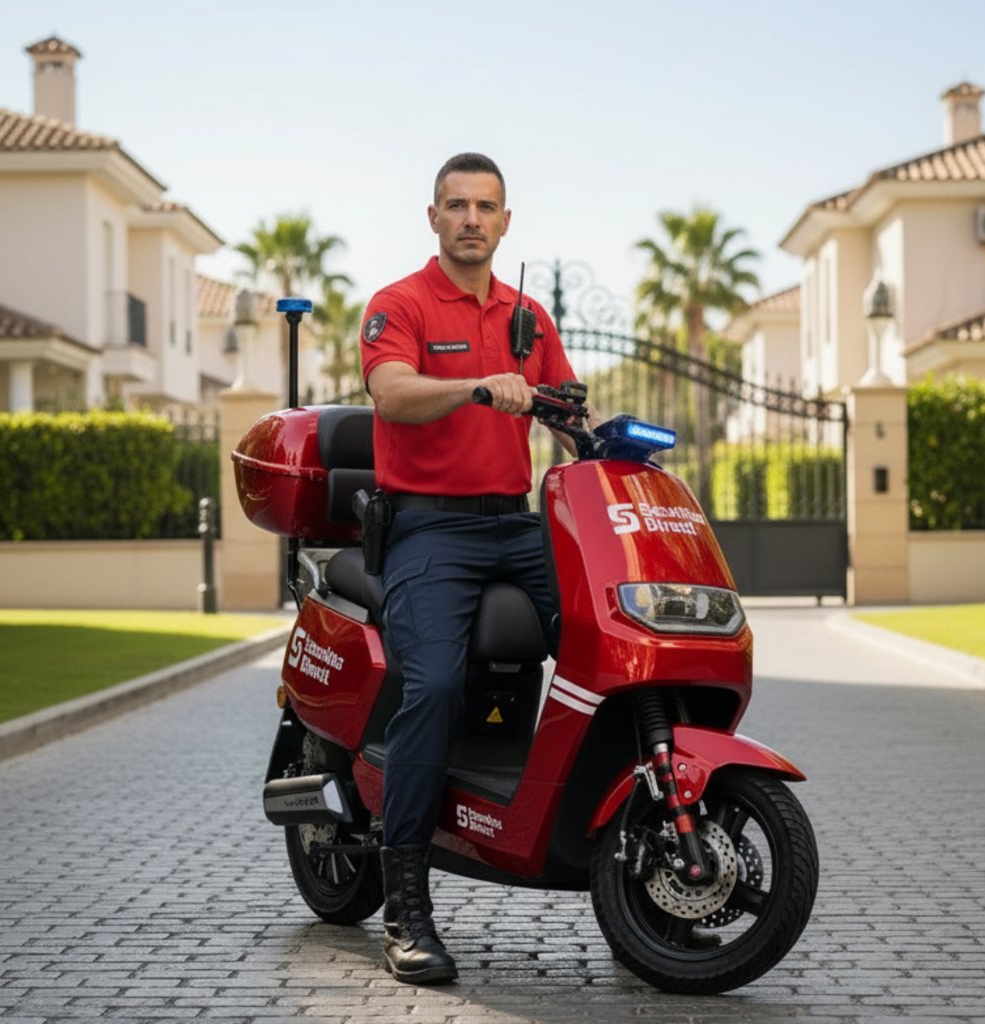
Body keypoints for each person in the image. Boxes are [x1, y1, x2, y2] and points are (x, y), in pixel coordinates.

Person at [359, 152, 584, 985]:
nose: (471, 220)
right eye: (456, 206)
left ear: (505, 222)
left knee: (606, 638)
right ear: (433, 217)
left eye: (486, 207)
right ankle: (405, 909)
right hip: (428, 527)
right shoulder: (399, 304)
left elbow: (568, 413)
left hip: (514, 524)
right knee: (435, 686)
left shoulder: (529, 315)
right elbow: (391, 393)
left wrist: (605, 442)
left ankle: (623, 829)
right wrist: (476, 387)